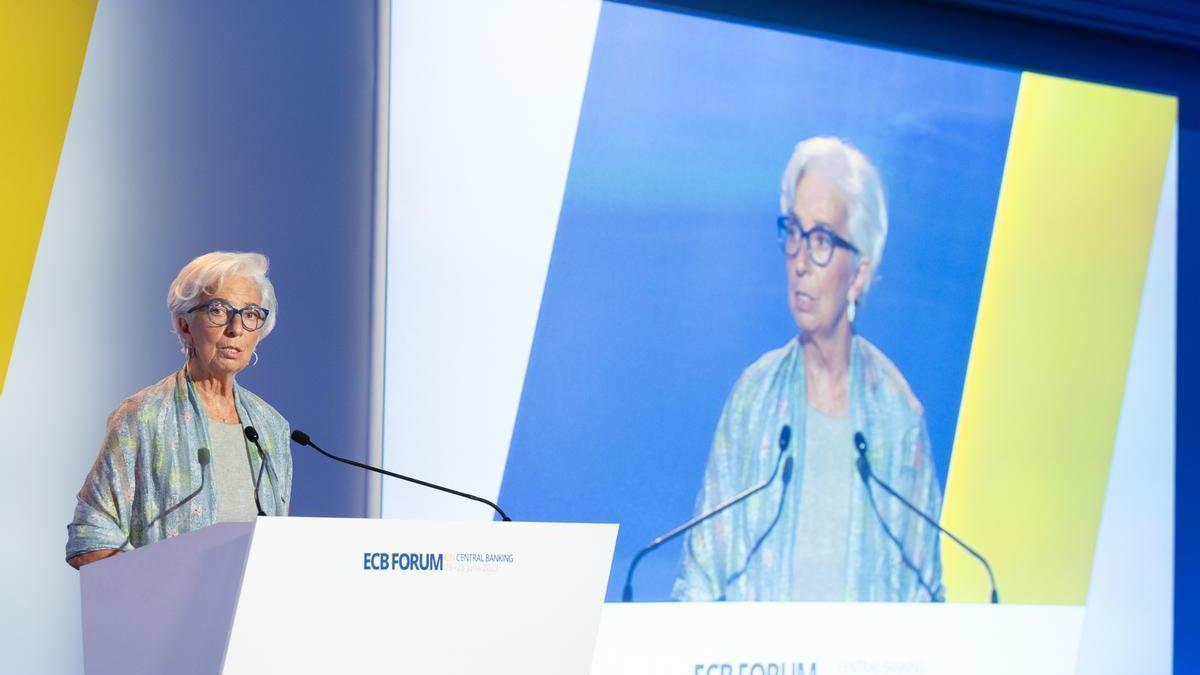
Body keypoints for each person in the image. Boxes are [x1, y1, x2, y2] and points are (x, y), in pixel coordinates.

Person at [672, 137, 943, 602]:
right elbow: (700, 579)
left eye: (821, 240)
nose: (799, 261)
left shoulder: (897, 416)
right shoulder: (753, 398)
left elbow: (926, 600)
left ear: (858, 274)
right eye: (793, 233)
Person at [65, 251, 292, 569]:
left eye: (251, 314)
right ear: (186, 326)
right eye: (218, 310)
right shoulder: (143, 416)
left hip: (253, 615)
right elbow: (91, 537)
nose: (236, 328)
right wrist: (156, 587)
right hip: (166, 613)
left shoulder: (271, 427)